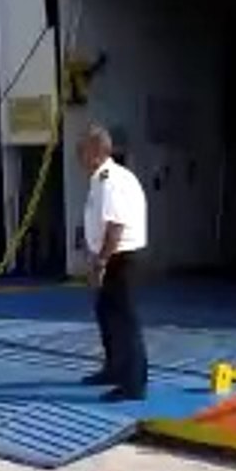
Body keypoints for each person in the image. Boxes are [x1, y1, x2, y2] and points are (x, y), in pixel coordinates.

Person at [78, 123, 149, 402]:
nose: (78, 155)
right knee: (107, 316)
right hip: (110, 257)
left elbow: (116, 227)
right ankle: (113, 369)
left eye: (82, 149)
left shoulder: (111, 180)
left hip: (121, 259)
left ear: (96, 151)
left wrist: (101, 263)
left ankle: (133, 384)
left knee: (125, 321)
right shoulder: (100, 179)